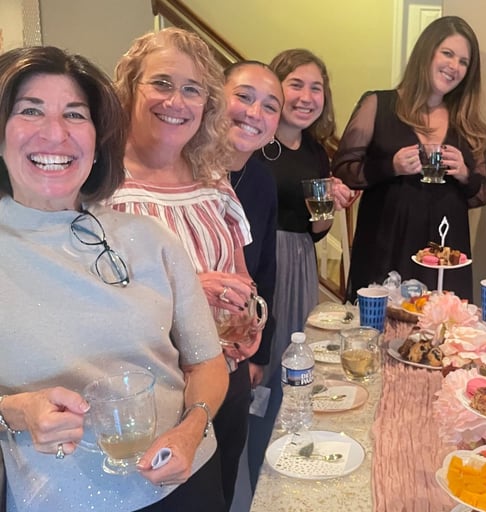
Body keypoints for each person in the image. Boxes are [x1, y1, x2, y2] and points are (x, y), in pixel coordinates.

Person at [0, 46, 228, 512]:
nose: (55, 133)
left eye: (74, 114)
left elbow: (207, 363)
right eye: (30, 111)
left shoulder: (149, 238)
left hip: (186, 481)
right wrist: (15, 411)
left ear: (97, 137)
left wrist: (191, 431)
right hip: (59, 501)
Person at [108, 28, 260, 510]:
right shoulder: (99, 187)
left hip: (224, 380)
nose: (176, 102)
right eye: (161, 83)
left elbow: (241, 274)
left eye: (192, 89)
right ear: (128, 90)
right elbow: (93, 299)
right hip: (149, 393)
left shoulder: (214, 182)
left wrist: (248, 313)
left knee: (218, 495)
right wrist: (192, 289)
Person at [250, 48, 353, 488]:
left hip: (300, 259)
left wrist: (330, 201)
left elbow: (317, 230)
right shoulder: (257, 141)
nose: (307, 97)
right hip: (261, 257)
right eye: (296, 84)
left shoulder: (314, 150)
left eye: (316, 88)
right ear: (277, 87)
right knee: (262, 358)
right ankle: (255, 456)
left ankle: (289, 446)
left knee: (296, 354)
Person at [333, 16, 486, 303]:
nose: (454, 66)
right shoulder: (378, 104)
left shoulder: (466, 123)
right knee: (380, 323)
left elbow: (483, 192)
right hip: (386, 243)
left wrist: (465, 174)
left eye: (463, 62)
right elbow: (343, 170)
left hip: (444, 250)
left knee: (443, 326)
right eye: (447, 53)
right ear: (426, 52)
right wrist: (390, 166)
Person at [221, 60, 281, 492]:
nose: (254, 113)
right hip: (176, 356)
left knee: (225, 470)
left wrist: (260, 353)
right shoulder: (182, 170)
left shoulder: (261, 180)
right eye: (243, 96)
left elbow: (265, 270)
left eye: (270, 106)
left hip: (236, 354)